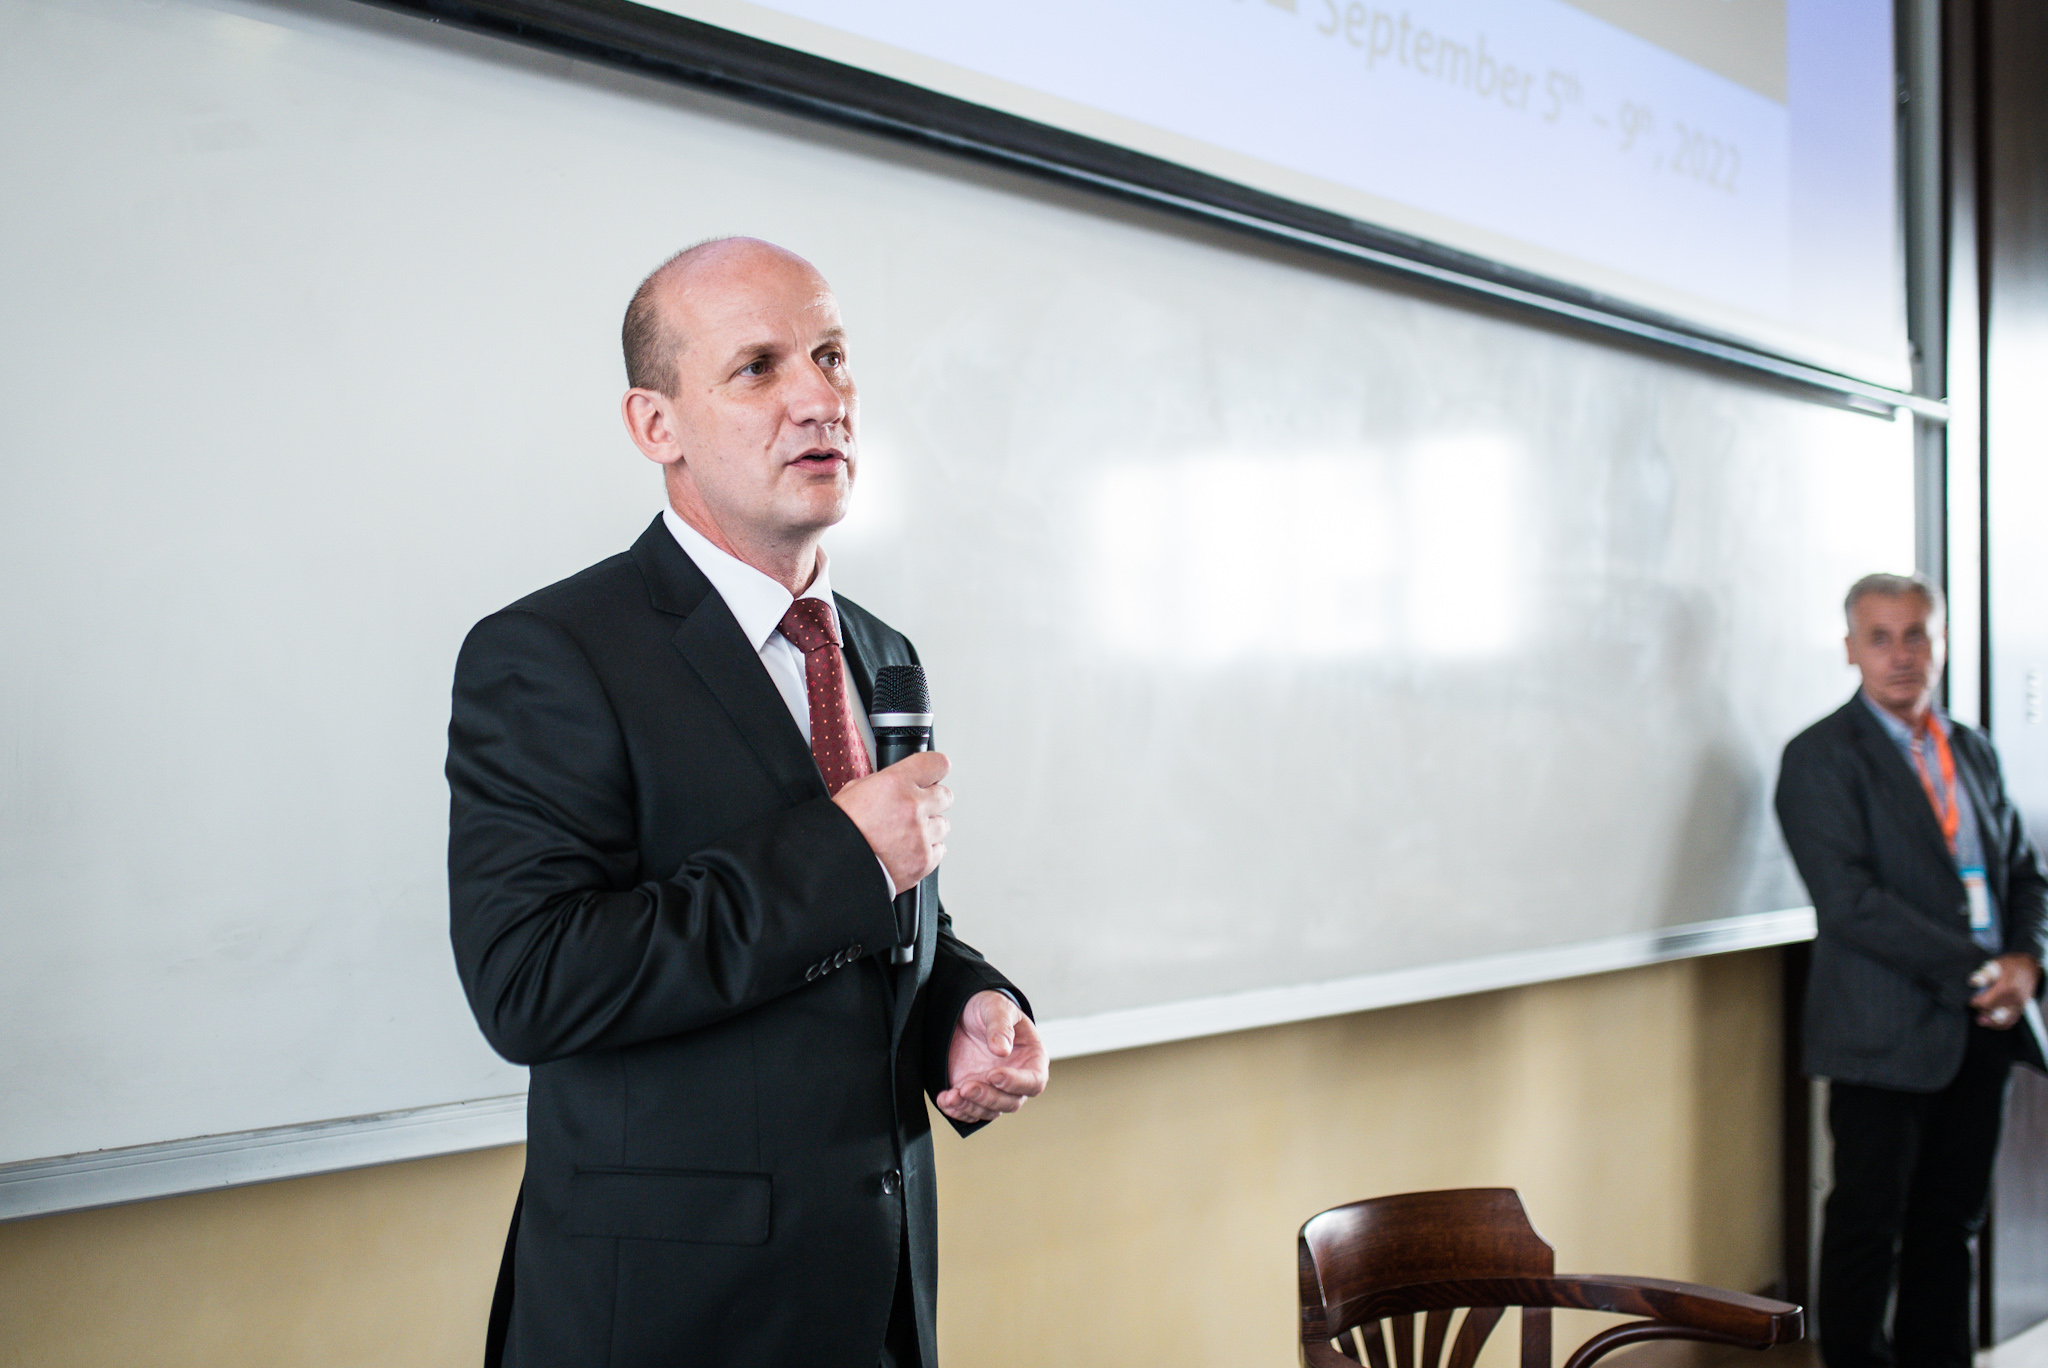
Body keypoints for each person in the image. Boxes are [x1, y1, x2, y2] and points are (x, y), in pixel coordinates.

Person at [446, 237, 1048, 1368]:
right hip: (666, 1322)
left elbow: (885, 925)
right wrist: (838, 855)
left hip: (874, 1305)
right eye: (759, 367)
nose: (820, 397)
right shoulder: (548, 654)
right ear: (654, 426)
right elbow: (531, 982)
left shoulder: (876, 650)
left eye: (829, 355)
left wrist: (960, 1010)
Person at [1776, 572, 2048, 1368]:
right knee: (1868, 1228)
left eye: (1916, 634)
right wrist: (1982, 969)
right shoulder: (1821, 756)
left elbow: (2025, 874)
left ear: (1942, 642)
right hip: (1881, 1031)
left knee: (1951, 1229)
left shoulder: (1971, 748)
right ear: (1851, 649)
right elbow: (1851, 902)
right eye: (1881, 637)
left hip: (1982, 1030)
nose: (1901, 655)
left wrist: (2027, 963)